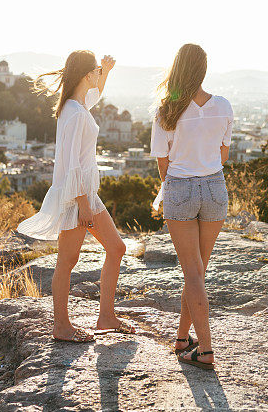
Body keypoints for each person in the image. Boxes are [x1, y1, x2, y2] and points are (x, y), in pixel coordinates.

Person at [17, 50, 135, 342]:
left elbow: (94, 95)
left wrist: (106, 71)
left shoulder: (76, 106)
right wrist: (83, 204)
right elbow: (72, 164)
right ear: (85, 74)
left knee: (116, 248)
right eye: (95, 70)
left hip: (84, 195)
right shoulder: (74, 113)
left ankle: (106, 316)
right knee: (67, 261)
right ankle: (62, 326)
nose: (97, 74)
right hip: (76, 197)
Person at [150, 43, 233, 370]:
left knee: (193, 272)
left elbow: (163, 165)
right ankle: (183, 339)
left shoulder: (165, 111)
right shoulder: (223, 106)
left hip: (180, 188)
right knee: (197, 271)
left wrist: (180, 179)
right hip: (215, 188)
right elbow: (224, 155)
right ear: (203, 70)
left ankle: (206, 351)